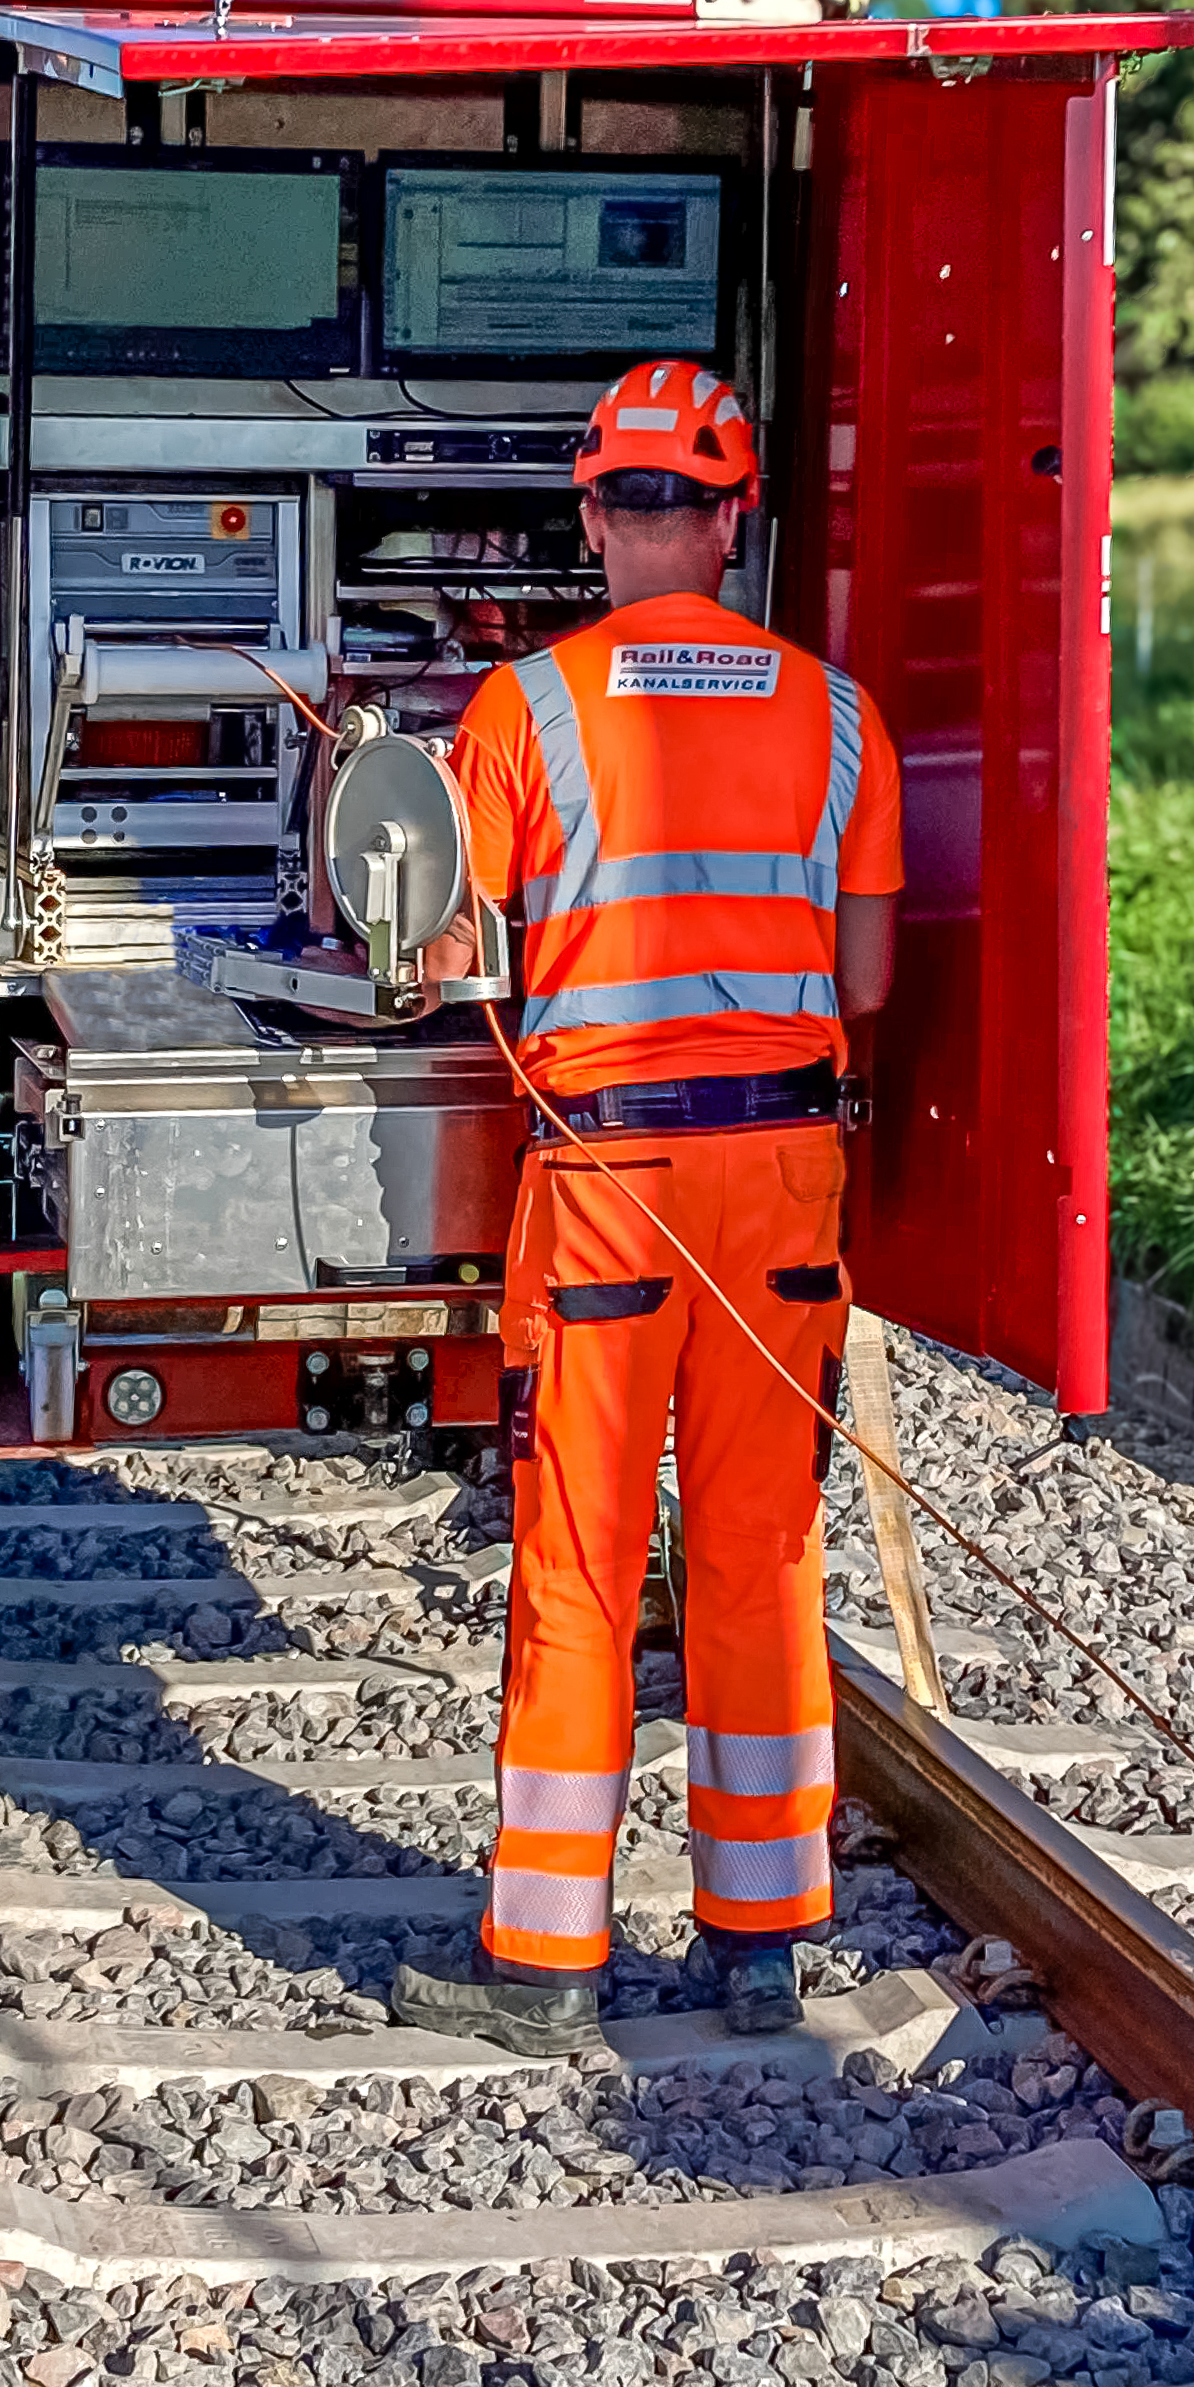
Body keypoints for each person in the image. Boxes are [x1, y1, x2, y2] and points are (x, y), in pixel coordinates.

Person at [390, 359, 903, 2056]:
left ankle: (547, 1957)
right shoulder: (838, 715)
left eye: (616, 499)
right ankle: (758, 1943)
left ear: (596, 516)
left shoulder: (520, 710)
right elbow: (869, 968)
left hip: (607, 1177)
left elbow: (445, 954)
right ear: (736, 519)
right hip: (784, 1174)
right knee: (758, 1547)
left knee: (586, 1551)